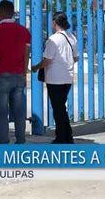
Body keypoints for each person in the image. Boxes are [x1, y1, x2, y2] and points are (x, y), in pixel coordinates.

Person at [0, 0, 31, 144]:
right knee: (18, 110)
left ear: (0, 13)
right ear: (12, 13)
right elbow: (26, 52)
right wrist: (24, 71)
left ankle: (4, 141)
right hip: (18, 75)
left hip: (1, 75)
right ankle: (21, 139)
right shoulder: (23, 30)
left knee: (1, 112)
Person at [31, 12, 78, 144]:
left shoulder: (53, 40)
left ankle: (62, 137)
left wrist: (35, 67)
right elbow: (76, 57)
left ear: (54, 23)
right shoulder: (71, 37)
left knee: (58, 109)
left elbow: (47, 61)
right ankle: (67, 136)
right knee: (61, 107)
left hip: (54, 78)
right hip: (67, 77)